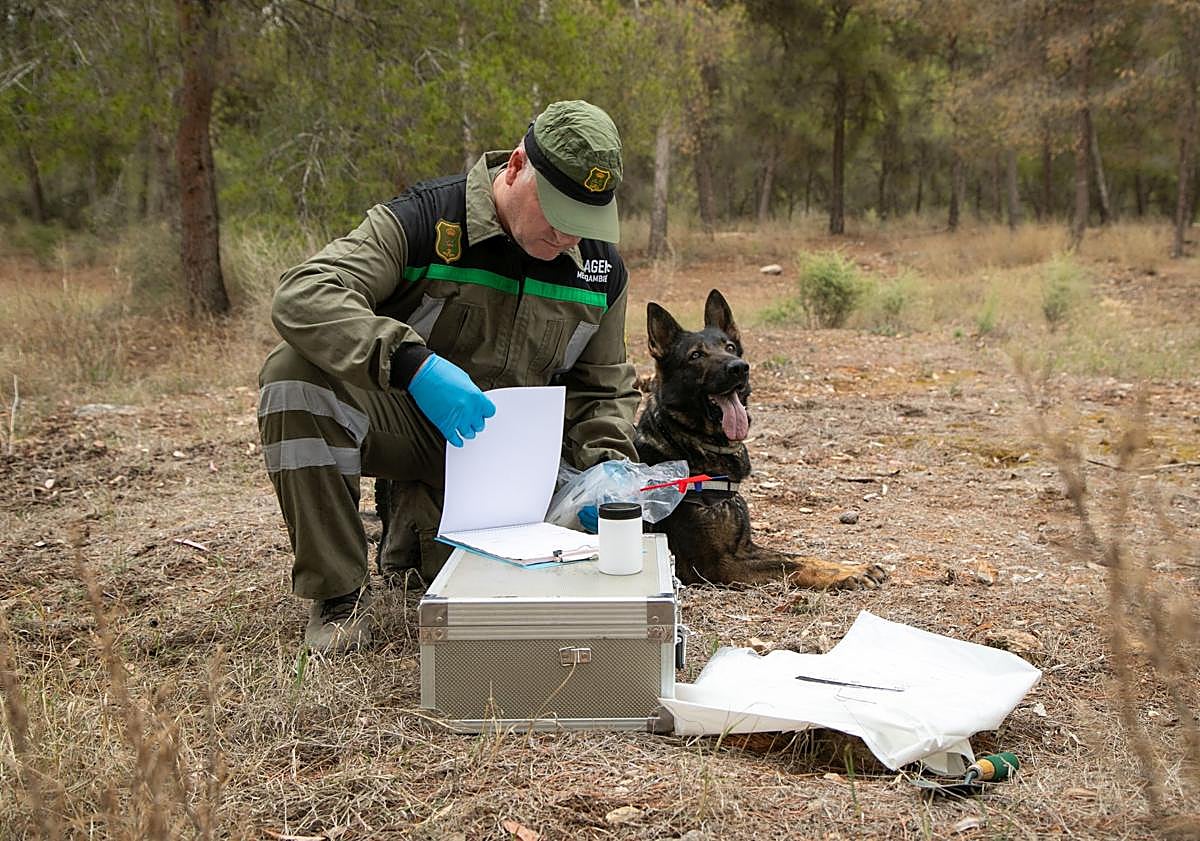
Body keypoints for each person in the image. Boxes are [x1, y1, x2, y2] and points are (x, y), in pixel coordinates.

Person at [257, 100, 639, 654]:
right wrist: (411, 364)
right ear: (515, 167)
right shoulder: (422, 222)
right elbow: (303, 294)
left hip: (522, 463)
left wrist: (604, 474)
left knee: (516, 587)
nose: (568, 239)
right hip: (415, 427)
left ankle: (432, 534)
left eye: (586, 224)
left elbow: (604, 385)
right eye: (558, 216)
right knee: (292, 377)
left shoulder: (602, 269)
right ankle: (339, 596)